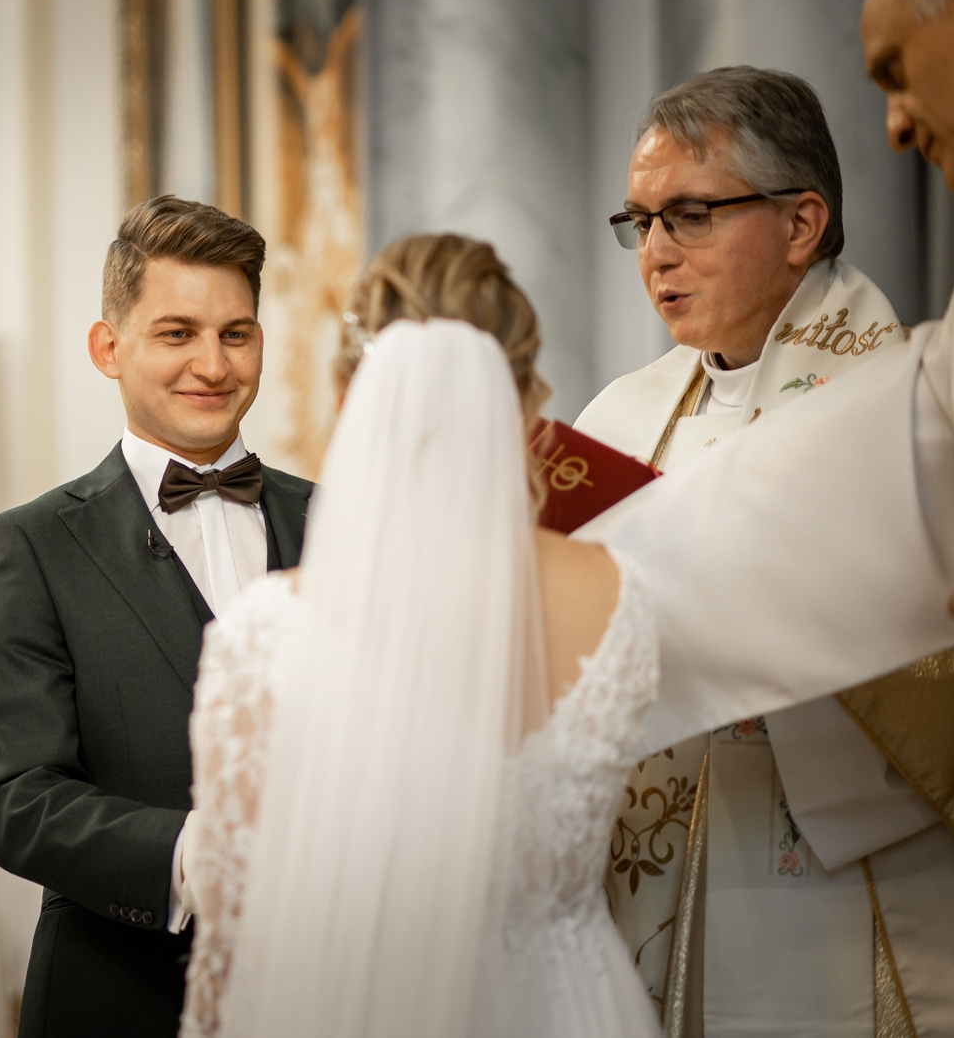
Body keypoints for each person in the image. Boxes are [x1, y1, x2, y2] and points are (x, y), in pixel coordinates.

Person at [177, 234, 665, 1038]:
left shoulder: (262, 633)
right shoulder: (620, 596)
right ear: (524, 402)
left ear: (351, 398)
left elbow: (243, 931)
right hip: (570, 1004)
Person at [574, 67, 935, 1037]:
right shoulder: (619, 416)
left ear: (801, 222)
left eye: (690, 215)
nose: (656, 252)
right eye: (640, 222)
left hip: (827, 869)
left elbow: (940, 665)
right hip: (658, 869)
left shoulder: (907, 403)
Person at [0, 195, 314, 1038]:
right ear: (108, 348)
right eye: (177, 333)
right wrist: (198, 857)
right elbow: (17, 796)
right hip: (119, 996)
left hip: (325, 988)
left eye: (236, 333)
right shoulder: (32, 545)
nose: (213, 364)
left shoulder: (344, 522)